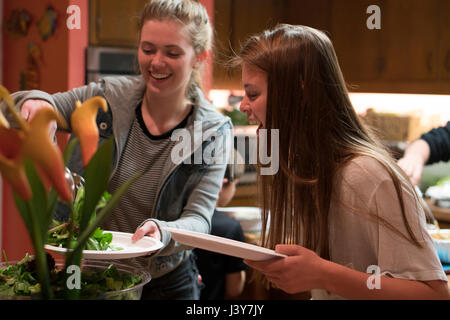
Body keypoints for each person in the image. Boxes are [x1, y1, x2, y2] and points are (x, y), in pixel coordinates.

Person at [10, 0, 232, 300]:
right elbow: (29, 103)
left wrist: (163, 230)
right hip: (91, 274)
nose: (156, 62)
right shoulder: (107, 97)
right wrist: (36, 103)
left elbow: (200, 220)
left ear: (199, 57)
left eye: (172, 52)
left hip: (167, 284)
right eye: (148, 49)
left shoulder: (212, 132)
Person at [232, 24, 449, 300]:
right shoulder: (309, 171)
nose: (243, 106)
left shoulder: (366, 176)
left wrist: (322, 274)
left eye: (252, 94)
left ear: (300, 95)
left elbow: (433, 294)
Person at [194, 150, 248, 300]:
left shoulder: (174, 220)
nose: (234, 190)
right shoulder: (230, 228)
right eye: (235, 184)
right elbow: (234, 289)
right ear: (221, 182)